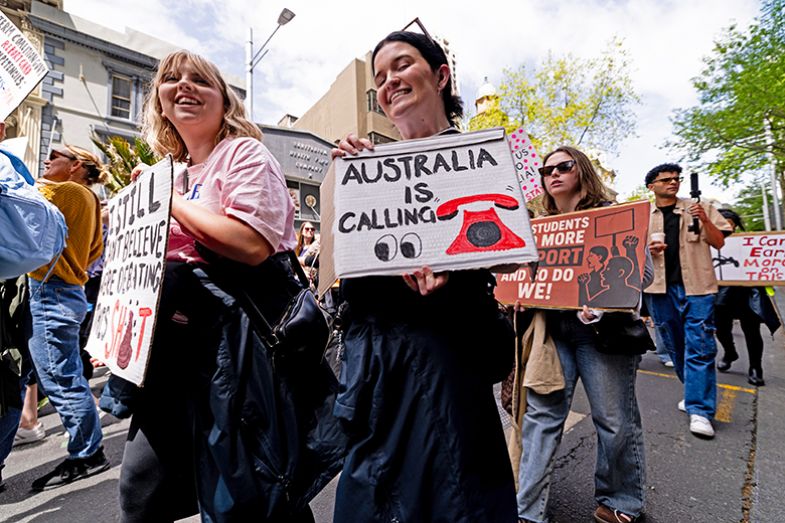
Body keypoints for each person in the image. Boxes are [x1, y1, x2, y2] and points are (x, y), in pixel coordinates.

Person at [331, 31, 516, 523]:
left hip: (446, 364)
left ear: (440, 75)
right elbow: (351, 272)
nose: (390, 81)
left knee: (452, 500)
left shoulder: (480, 159)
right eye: (380, 76)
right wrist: (351, 181)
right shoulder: (369, 168)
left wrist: (453, 270)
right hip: (376, 373)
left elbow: (513, 254)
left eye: (402, 64)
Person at [116, 50, 304, 522]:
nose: (184, 86)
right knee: (140, 493)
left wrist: (171, 201)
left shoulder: (243, 155)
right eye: (172, 79)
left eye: (200, 80)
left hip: (235, 359)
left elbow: (250, 243)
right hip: (169, 360)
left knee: (251, 496)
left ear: (225, 101)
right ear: (158, 101)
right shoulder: (169, 174)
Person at [514, 146, 650, 523]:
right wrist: (520, 294)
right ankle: (527, 510)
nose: (552, 174)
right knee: (541, 417)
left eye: (563, 166)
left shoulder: (613, 214)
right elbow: (524, 278)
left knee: (613, 419)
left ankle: (622, 499)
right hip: (551, 332)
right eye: (546, 170)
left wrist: (605, 302)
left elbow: (646, 276)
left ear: (582, 170)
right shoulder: (536, 225)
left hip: (602, 334)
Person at [26, 144, 107, 490]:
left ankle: (87, 455)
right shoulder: (89, 198)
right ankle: (86, 450)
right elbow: (95, 251)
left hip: (52, 291)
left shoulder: (67, 190)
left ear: (75, 165)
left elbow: (21, 192)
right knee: (66, 375)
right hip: (65, 291)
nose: (47, 159)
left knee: (61, 379)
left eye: (55, 155)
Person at [643, 163, 732, 439]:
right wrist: (648, 248)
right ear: (652, 186)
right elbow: (628, 251)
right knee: (675, 345)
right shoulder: (644, 216)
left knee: (700, 346)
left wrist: (704, 219)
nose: (673, 183)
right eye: (666, 179)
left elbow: (719, 242)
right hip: (659, 290)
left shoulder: (698, 206)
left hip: (697, 289)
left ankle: (700, 410)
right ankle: (693, 391)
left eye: (676, 179)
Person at [714, 209, 780, 386]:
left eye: (732, 224)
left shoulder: (747, 243)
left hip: (747, 295)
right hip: (720, 297)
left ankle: (756, 368)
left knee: (752, 332)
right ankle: (730, 352)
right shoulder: (709, 243)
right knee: (721, 330)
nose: (728, 227)